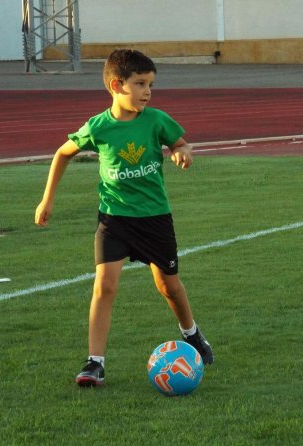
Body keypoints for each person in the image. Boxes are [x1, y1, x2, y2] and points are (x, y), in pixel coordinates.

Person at [35, 49, 213, 387]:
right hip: (114, 219)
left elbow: (182, 144)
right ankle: (94, 363)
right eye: (140, 84)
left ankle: (191, 334)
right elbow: (62, 153)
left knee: (169, 286)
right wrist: (47, 201)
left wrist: (181, 153)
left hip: (154, 218)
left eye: (151, 85)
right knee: (105, 286)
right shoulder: (98, 127)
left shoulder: (156, 120)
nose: (147, 91)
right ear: (117, 85)